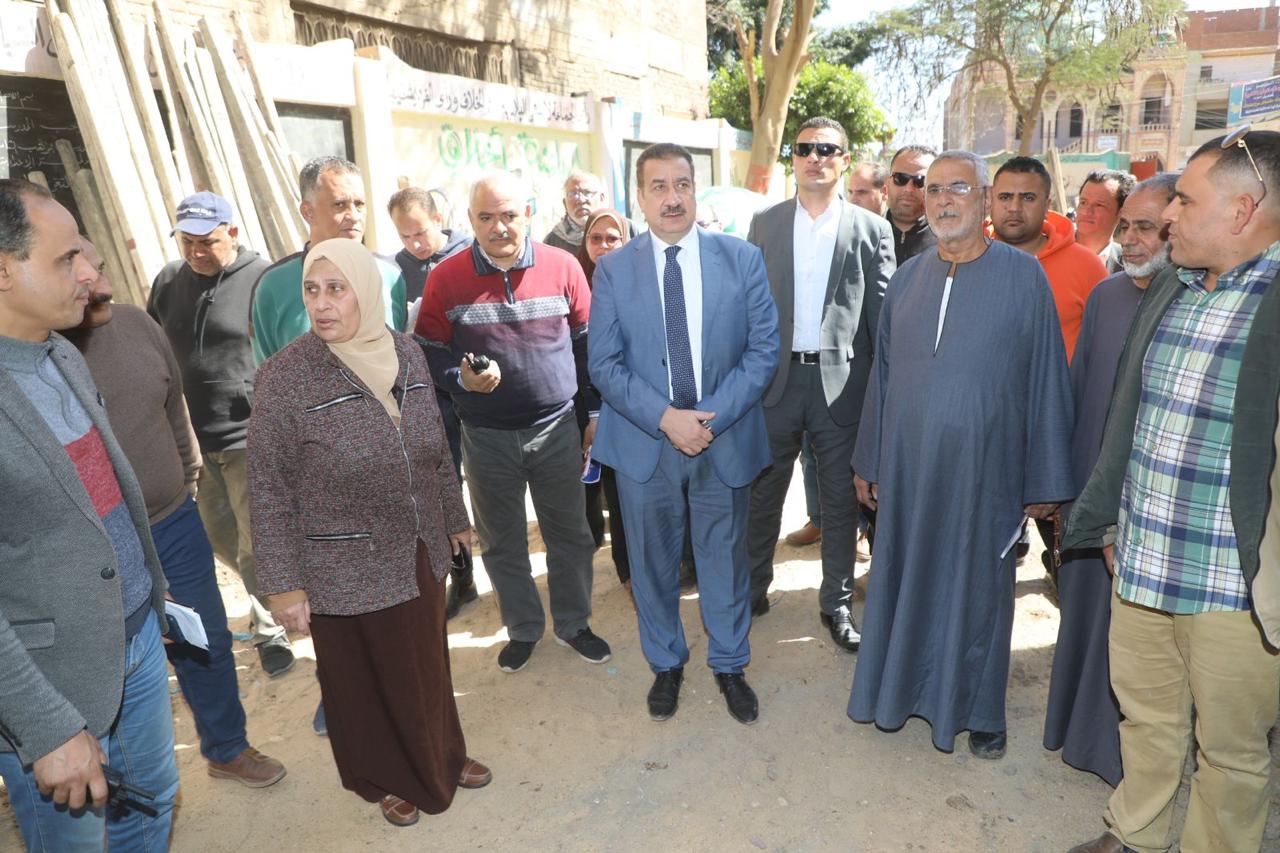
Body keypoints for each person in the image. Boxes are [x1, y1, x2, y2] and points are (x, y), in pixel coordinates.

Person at [1064, 131, 1280, 853]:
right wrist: (1110, 522)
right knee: (1147, 719)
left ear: (1243, 210)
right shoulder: (1171, 287)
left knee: (1231, 752)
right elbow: (1129, 420)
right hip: (1144, 560)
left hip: (1236, 584)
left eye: (1185, 201)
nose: (1166, 216)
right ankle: (1135, 834)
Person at [248, 238, 492, 828]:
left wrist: (454, 517)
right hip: (341, 559)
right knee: (364, 677)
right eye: (312, 290)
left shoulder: (405, 352)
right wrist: (283, 586)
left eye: (337, 289)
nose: (322, 304)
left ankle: (443, 754)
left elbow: (435, 448)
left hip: (417, 540)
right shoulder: (284, 377)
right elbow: (269, 488)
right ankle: (386, 777)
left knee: (426, 662)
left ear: (367, 291)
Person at [848, 151, 1073, 760]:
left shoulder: (1024, 278)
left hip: (985, 471)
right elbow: (882, 378)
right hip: (909, 470)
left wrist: (1046, 477)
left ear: (984, 201)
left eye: (959, 189)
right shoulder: (907, 279)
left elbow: (1047, 380)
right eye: (934, 190)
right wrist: (869, 459)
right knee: (904, 579)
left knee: (977, 593)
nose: (944, 200)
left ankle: (979, 713)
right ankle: (899, 694)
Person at [67, 239, 287, 790]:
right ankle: (120, 786)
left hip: (172, 521)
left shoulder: (137, 326)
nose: (103, 285)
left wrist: (186, 478)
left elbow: (173, 406)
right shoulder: (36, 359)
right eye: (82, 272)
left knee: (205, 637)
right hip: (92, 544)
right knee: (117, 663)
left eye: (101, 267)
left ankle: (227, 748)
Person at [0, 179, 178, 849]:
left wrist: (150, 600)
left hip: (134, 640)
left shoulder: (62, 353)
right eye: (65, 258)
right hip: (52, 683)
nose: (87, 273)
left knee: (153, 805)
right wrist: (45, 726)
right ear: (4, 271)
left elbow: (102, 509)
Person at [589, 142, 780, 725]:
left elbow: (762, 351)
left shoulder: (741, 259)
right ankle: (666, 663)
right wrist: (667, 419)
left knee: (724, 558)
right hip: (645, 441)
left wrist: (707, 419)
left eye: (682, 185)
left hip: (723, 436)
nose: (672, 198)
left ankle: (730, 664)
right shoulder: (614, 268)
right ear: (639, 198)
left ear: (696, 191)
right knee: (652, 563)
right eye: (659, 187)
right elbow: (604, 364)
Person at [416, 171, 612, 674]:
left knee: (570, 535)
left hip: (557, 430)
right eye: (486, 217)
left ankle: (573, 623)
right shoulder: (445, 278)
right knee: (502, 542)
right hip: (485, 437)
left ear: (528, 213)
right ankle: (523, 629)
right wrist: (460, 379)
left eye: (508, 214)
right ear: (470, 220)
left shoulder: (564, 266)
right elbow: (428, 352)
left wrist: (593, 414)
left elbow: (587, 347)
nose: (499, 227)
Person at [1043, 173, 1177, 788]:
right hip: (1091, 498)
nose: (1129, 239)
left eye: (1145, 228)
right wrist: (1065, 493)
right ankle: (1076, 735)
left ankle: (1123, 760)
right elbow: (1077, 398)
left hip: (1153, 507)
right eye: (1126, 227)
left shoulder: (1193, 304)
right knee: (1084, 620)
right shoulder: (1107, 295)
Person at [745, 116, 894, 652]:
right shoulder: (765, 224)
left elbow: (881, 322)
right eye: (805, 148)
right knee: (762, 494)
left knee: (839, 503)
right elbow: (748, 309)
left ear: (844, 160)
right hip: (776, 383)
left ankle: (836, 603)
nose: (815, 157)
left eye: (827, 149)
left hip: (843, 388)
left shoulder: (871, 229)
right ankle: (751, 590)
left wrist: (880, 397)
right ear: (793, 159)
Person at [148, 191, 294, 677]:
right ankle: (276, 601)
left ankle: (271, 629)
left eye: (207, 241)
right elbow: (155, 346)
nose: (196, 252)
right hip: (193, 441)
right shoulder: (168, 281)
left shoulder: (263, 280)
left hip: (251, 436)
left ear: (232, 232)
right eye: (187, 242)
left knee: (256, 547)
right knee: (219, 539)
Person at [389, 186, 478, 619]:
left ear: (438, 218)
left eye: (421, 232)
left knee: (491, 483)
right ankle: (462, 577)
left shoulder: (471, 254)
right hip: (428, 395)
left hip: (477, 387)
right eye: (405, 236)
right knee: (445, 486)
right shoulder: (396, 270)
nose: (415, 244)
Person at [251, 156, 408, 364]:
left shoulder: (390, 277)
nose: (354, 216)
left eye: (359, 204)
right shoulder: (274, 286)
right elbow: (266, 374)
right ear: (308, 212)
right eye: (340, 205)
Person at [990, 157, 1108, 361]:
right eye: (1005, 197)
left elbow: (1107, 347)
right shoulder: (969, 261)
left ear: (1047, 206)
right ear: (990, 201)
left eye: (1028, 198)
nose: (1014, 207)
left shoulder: (1086, 266)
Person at [575, 208, 634, 589]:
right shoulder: (576, 284)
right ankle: (619, 567)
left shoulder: (642, 282)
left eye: (613, 238)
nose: (604, 246)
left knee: (626, 495)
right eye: (595, 238)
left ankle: (633, 569)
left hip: (633, 406)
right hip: (586, 407)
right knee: (594, 491)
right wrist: (593, 416)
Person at [884, 144, 938, 265]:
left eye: (920, 181)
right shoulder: (867, 235)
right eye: (900, 178)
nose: (908, 189)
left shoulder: (947, 243)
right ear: (888, 182)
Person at [1074, 169, 1135, 273]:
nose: (1086, 212)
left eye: (1099, 205)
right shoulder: (1050, 250)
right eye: (1083, 202)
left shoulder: (1130, 267)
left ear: (1121, 214)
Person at [544, 171, 607, 253]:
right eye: (573, 194)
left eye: (587, 193)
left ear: (602, 198)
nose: (580, 200)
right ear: (564, 203)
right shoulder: (552, 242)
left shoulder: (617, 233)